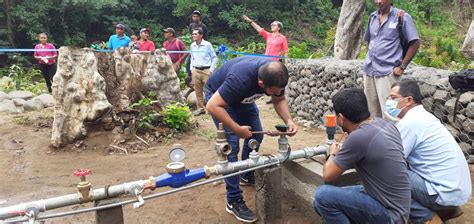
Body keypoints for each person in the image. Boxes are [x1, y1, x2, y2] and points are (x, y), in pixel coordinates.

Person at [205, 56, 298, 223]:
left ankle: (246, 175)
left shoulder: (276, 74)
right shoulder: (240, 79)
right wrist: (236, 129)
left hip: (242, 100)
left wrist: (289, 120)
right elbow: (212, 105)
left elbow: (279, 99)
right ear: (261, 84)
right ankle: (233, 200)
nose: (277, 93)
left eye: (280, 89)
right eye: (273, 91)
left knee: (256, 136)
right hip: (219, 99)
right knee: (231, 148)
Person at [313, 88, 410, 224]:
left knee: (322, 197)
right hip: (400, 207)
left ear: (340, 118)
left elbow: (328, 175)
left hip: (390, 215)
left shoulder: (359, 137)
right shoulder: (385, 124)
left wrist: (333, 153)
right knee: (324, 203)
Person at [387, 80, 472, 223]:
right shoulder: (425, 117)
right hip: (456, 191)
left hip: (443, 193)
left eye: (393, 98)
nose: (389, 102)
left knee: (385, 176)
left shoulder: (409, 123)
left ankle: (428, 217)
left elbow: (391, 161)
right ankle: (447, 210)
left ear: (408, 100)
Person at [363, 0, 420, 117]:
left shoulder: (401, 17)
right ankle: (377, 135)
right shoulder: (372, 18)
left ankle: (391, 135)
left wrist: (402, 66)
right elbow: (369, 41)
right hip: (369, 71)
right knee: (372, 112)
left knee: (390, 114)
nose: (378, 2)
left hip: (387, 73)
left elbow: (415, 42)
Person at [242, 15, 288, 104]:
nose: (272, 26)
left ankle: (275, 96)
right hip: (265, 61)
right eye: (271, 25)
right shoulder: (269, 35)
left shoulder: (282, 38)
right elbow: (259, 29)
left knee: (275, 79)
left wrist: (286, 63)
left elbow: (286, 51)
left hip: (275, 62)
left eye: (274, 25)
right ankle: (261, 92)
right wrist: (250, 21)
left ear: (279, 27)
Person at [189, 28, 217, 116]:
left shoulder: (207, 45)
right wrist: (191, 69)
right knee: (198, 90)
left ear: (201, 35)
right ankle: (200, 108)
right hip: (196, 70)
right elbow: (192, 57)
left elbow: (214, 58)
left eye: (196, 34)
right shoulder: (192, 45)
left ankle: (211, 108)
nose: (193, 35)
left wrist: (211, 70)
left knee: (209, 90)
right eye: (193, 34)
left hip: (206, 70)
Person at [185, 10, 209, 96]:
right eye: (194, 16)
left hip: (202, 46)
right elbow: (192, 36)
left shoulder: (203, 26)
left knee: (201, 62)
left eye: (197, 16)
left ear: (199, 17)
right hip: (194, 46)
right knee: (188, 61)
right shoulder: (191, 25)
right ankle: (189, 76)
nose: (195, 18)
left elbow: (205, 37)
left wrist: (202, 46)